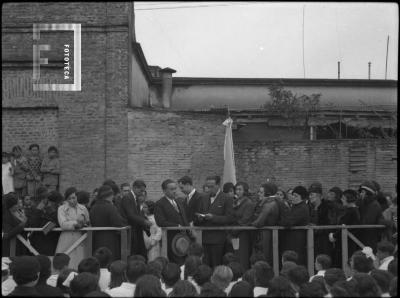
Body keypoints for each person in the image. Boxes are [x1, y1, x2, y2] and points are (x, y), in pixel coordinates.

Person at [195, 176, 234, 268]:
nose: (209, 188)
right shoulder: (203, 198)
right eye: (207, 186)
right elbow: (198, 215)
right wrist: (199, 218)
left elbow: (230, 218)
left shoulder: (227, 198)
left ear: (218, 185)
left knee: (216, 265)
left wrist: (213, 218)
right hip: (204, 239)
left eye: (211, 186)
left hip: (218, 239)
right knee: (204, 266)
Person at [154, 179, 190, 265]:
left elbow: (184, 217)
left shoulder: (179, 201)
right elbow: (160, 222)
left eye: (175, 188)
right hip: (171, 239)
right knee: (176, 263)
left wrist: (188, 228)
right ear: (164, 190)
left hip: (184, 238)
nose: (174, 191)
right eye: (171, 189)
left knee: (185, 261)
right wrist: (177, 226)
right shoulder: (160, 204)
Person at [56, 187, 90, 270]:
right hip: (67, 238)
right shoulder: (61, 209)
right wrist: (76, 224)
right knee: (65, 261)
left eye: (74, 198)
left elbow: (88, 221)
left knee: (80, 260)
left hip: (80, 237)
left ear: (77, 197)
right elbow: (63, 224)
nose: (72, 200)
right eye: (69, 198)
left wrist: (85, 223)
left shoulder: (83, 208)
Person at [119, 180, 152, 259]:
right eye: (141, 191)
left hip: (136, 230)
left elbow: (138, 214)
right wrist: (144, 221)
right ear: (134, 188)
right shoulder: (127, 198)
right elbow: (131, 215)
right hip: (130, 230)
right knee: (133, 254)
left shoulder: (135, 198)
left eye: (143, 191)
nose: (142, 193)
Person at [90, 185, 124, 261]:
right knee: (109, 261)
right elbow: (118, 223)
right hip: (110, 239)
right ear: (109, 195)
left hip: (97, 239)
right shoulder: (110, 207)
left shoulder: (93, 207)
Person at [279, 186, 310, 266]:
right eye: (293, 195)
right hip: (291, 239)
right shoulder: (295, 207)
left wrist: (282, 221)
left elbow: (288, 222)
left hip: (297, 241)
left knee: (295, 262)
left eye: (296, 196)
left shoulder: (302, 208)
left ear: (302, 197)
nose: (293, 197)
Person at [357, 181, 389, 251]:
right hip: (364, 237)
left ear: (368, 193)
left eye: (362, 192)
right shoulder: (364, 203)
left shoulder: (374, 205)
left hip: (369, 237)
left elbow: (367, 221)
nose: (360, 194)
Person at [231, 182, 255, 270]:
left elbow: (245, 220)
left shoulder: (248, 203)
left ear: (245, 191)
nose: (237, 191)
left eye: (240, 189)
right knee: (236, 255)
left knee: (242, 257)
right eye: (236, 189)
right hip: (234, 233)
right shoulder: (236, 202)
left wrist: (233, 230)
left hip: (243, 233)